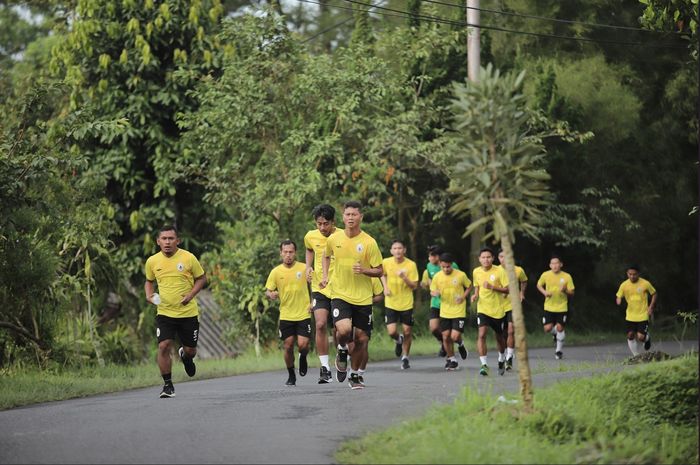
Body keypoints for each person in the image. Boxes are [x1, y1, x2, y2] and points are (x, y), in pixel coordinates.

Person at [320, 200, 383, 390]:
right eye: (347, 214)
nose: (350, 218)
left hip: (363, 298)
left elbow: (379, 270)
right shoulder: (334, 239)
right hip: (340, 293)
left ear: (360, 217)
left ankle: (354, 375)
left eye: (354, 215)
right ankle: (341, 350)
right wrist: (324, 275)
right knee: (345, 330)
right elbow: (325, 255)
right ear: (343, 217)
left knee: (362, 340)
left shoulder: (369, 242)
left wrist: (364, 270)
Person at [144, 225, 207, 398]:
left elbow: (202, 278)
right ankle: (168, 385)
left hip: (188, 313)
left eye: (171, 238)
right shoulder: (152, 261)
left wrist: (191, 294)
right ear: (158, 241)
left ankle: (186, 357)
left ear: (177, 240)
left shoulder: (188, 258)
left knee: (190, 350)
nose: (167, 242)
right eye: (164, 238)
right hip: (164, 312)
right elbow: (149, 281)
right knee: (163, 346)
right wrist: (149, 295)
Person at [304, 204, 342, 383]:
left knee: (339, 329)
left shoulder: (342, 236)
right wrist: (307, 266)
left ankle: (341, 353)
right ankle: (325, 368)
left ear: (333, 222)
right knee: (320, 325)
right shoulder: (310, 236)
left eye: (325, 224)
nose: (322, 228)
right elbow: (309, 249)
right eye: (319, 224)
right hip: (319, 287)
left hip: (340, 288)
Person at [265, 240, 312, 386]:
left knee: (303, 345)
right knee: (288, 345)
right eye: (285, 252)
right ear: (281, 253)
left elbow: (316, 286)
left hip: (304, 312)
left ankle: (303, 357)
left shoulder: (305, 268)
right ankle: (291, 374)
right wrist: (270, 294)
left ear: (295, 253)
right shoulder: (276, 272)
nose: (288, 255)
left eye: (291, 252)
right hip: (286, 314)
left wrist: (313, 302)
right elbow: (268, 290)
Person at [381, 239, 419, 369]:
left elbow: (414, 285)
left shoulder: (411, 265)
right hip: (391, 302)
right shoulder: (386, 262)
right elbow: (382, 274)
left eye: (400, 248)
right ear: (391, 251)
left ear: (404, 250)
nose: (397, 251)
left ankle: (405, 358)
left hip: (406, 303)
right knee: (392, 332)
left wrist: (404, 277)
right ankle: (398, 340)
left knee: (407, 331)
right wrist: (385, 287)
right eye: (395, 248)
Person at [430, 252, 472, 371]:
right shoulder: (437, 276)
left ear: (452, 264)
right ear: (440, 265)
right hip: (445, 310)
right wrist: (435, 293)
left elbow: (469, 286)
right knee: (445, 336)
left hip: (458, 310)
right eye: (443, 267)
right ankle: (452, 359)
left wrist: (463, 297)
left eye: (448, 266)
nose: (446, 269)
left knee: (454, 336)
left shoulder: (460, 275)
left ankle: (461, 344)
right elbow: (432, 290)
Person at [471, 247, 509, 376]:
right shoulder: (476, 271)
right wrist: (475, 295)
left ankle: (501, 358)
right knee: (482, 334)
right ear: (479, 259)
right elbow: (477, 286)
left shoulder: (500, 271)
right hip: (483, 308)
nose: (486, 260)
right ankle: (484, 365)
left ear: (493, 258)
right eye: (483, 257)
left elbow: (507, 289)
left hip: (498, 310)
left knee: (499, 337)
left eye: (488, 257)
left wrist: (492, 287)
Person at [420, 245, 460, 357]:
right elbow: (428, 283)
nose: (430, 258)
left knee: (449, 333)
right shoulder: (429, 266)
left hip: (450, 302)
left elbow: (459, 280)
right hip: (436, 302)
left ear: (438, 257)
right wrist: (426, 286)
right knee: (433, 328)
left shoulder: (453, 265)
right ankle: (443, 341)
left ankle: (450, 357)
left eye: (432, 256)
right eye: (429, 256)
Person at [536, 255, 575, 360]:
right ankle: (556, 334)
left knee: (560, 328)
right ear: (550, 265)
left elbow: (572, 292)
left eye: (556, 263)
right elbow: (538, 285)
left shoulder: (567, 276)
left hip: (562, 307)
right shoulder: (545, 275)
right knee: (547, 328)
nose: (555, 265)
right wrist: (544, 292)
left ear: (561, 264)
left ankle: (558, 351)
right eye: (552, 263)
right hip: (548, 306)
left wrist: (565, 291)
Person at [349, 277, 384, 387]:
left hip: (364, 312)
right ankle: (351, 367)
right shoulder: (345, 273)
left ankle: (360, 373)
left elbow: (380, 295)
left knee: (364, 343)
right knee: (351, 346)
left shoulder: (372, 276)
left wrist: (369, 300)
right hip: (348, 313)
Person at [615, 264, 657, 356]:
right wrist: (618, 299)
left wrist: (651, 306)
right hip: (630, 315)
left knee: (641, 337)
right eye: (630, 274)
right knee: (630, 335)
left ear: (638, 274)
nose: (632, 276)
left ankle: (647, 338)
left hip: (642, 315)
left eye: (634, 274)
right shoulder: (624, 285)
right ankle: (636, 355)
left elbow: (654, 293)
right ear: (627, 274)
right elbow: (618, 295)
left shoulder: (645, 283)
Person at [497, 249, 528, 371]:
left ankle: (509, 357)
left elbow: (524, 281)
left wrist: (522, 293)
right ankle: (501, 355)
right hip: (498, 306)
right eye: (501, 256)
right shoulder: (495, 270)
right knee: (501, 334)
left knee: (511, 330)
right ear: (498, 258)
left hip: (512, 304)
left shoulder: (518, 270)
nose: (503, 259)